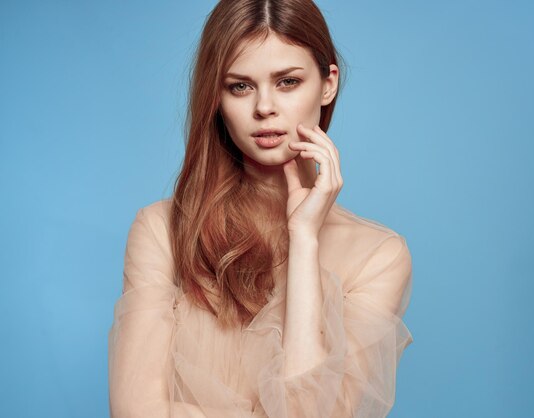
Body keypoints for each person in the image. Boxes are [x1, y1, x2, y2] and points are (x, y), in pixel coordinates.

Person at [108, 0, 413, 417]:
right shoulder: (161, 229)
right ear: (216, 96)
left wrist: (303, 240)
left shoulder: (378, 256)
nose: (264, 107)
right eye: (240, 86)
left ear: (328, 84)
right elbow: (135, 412)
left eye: (287, 82)